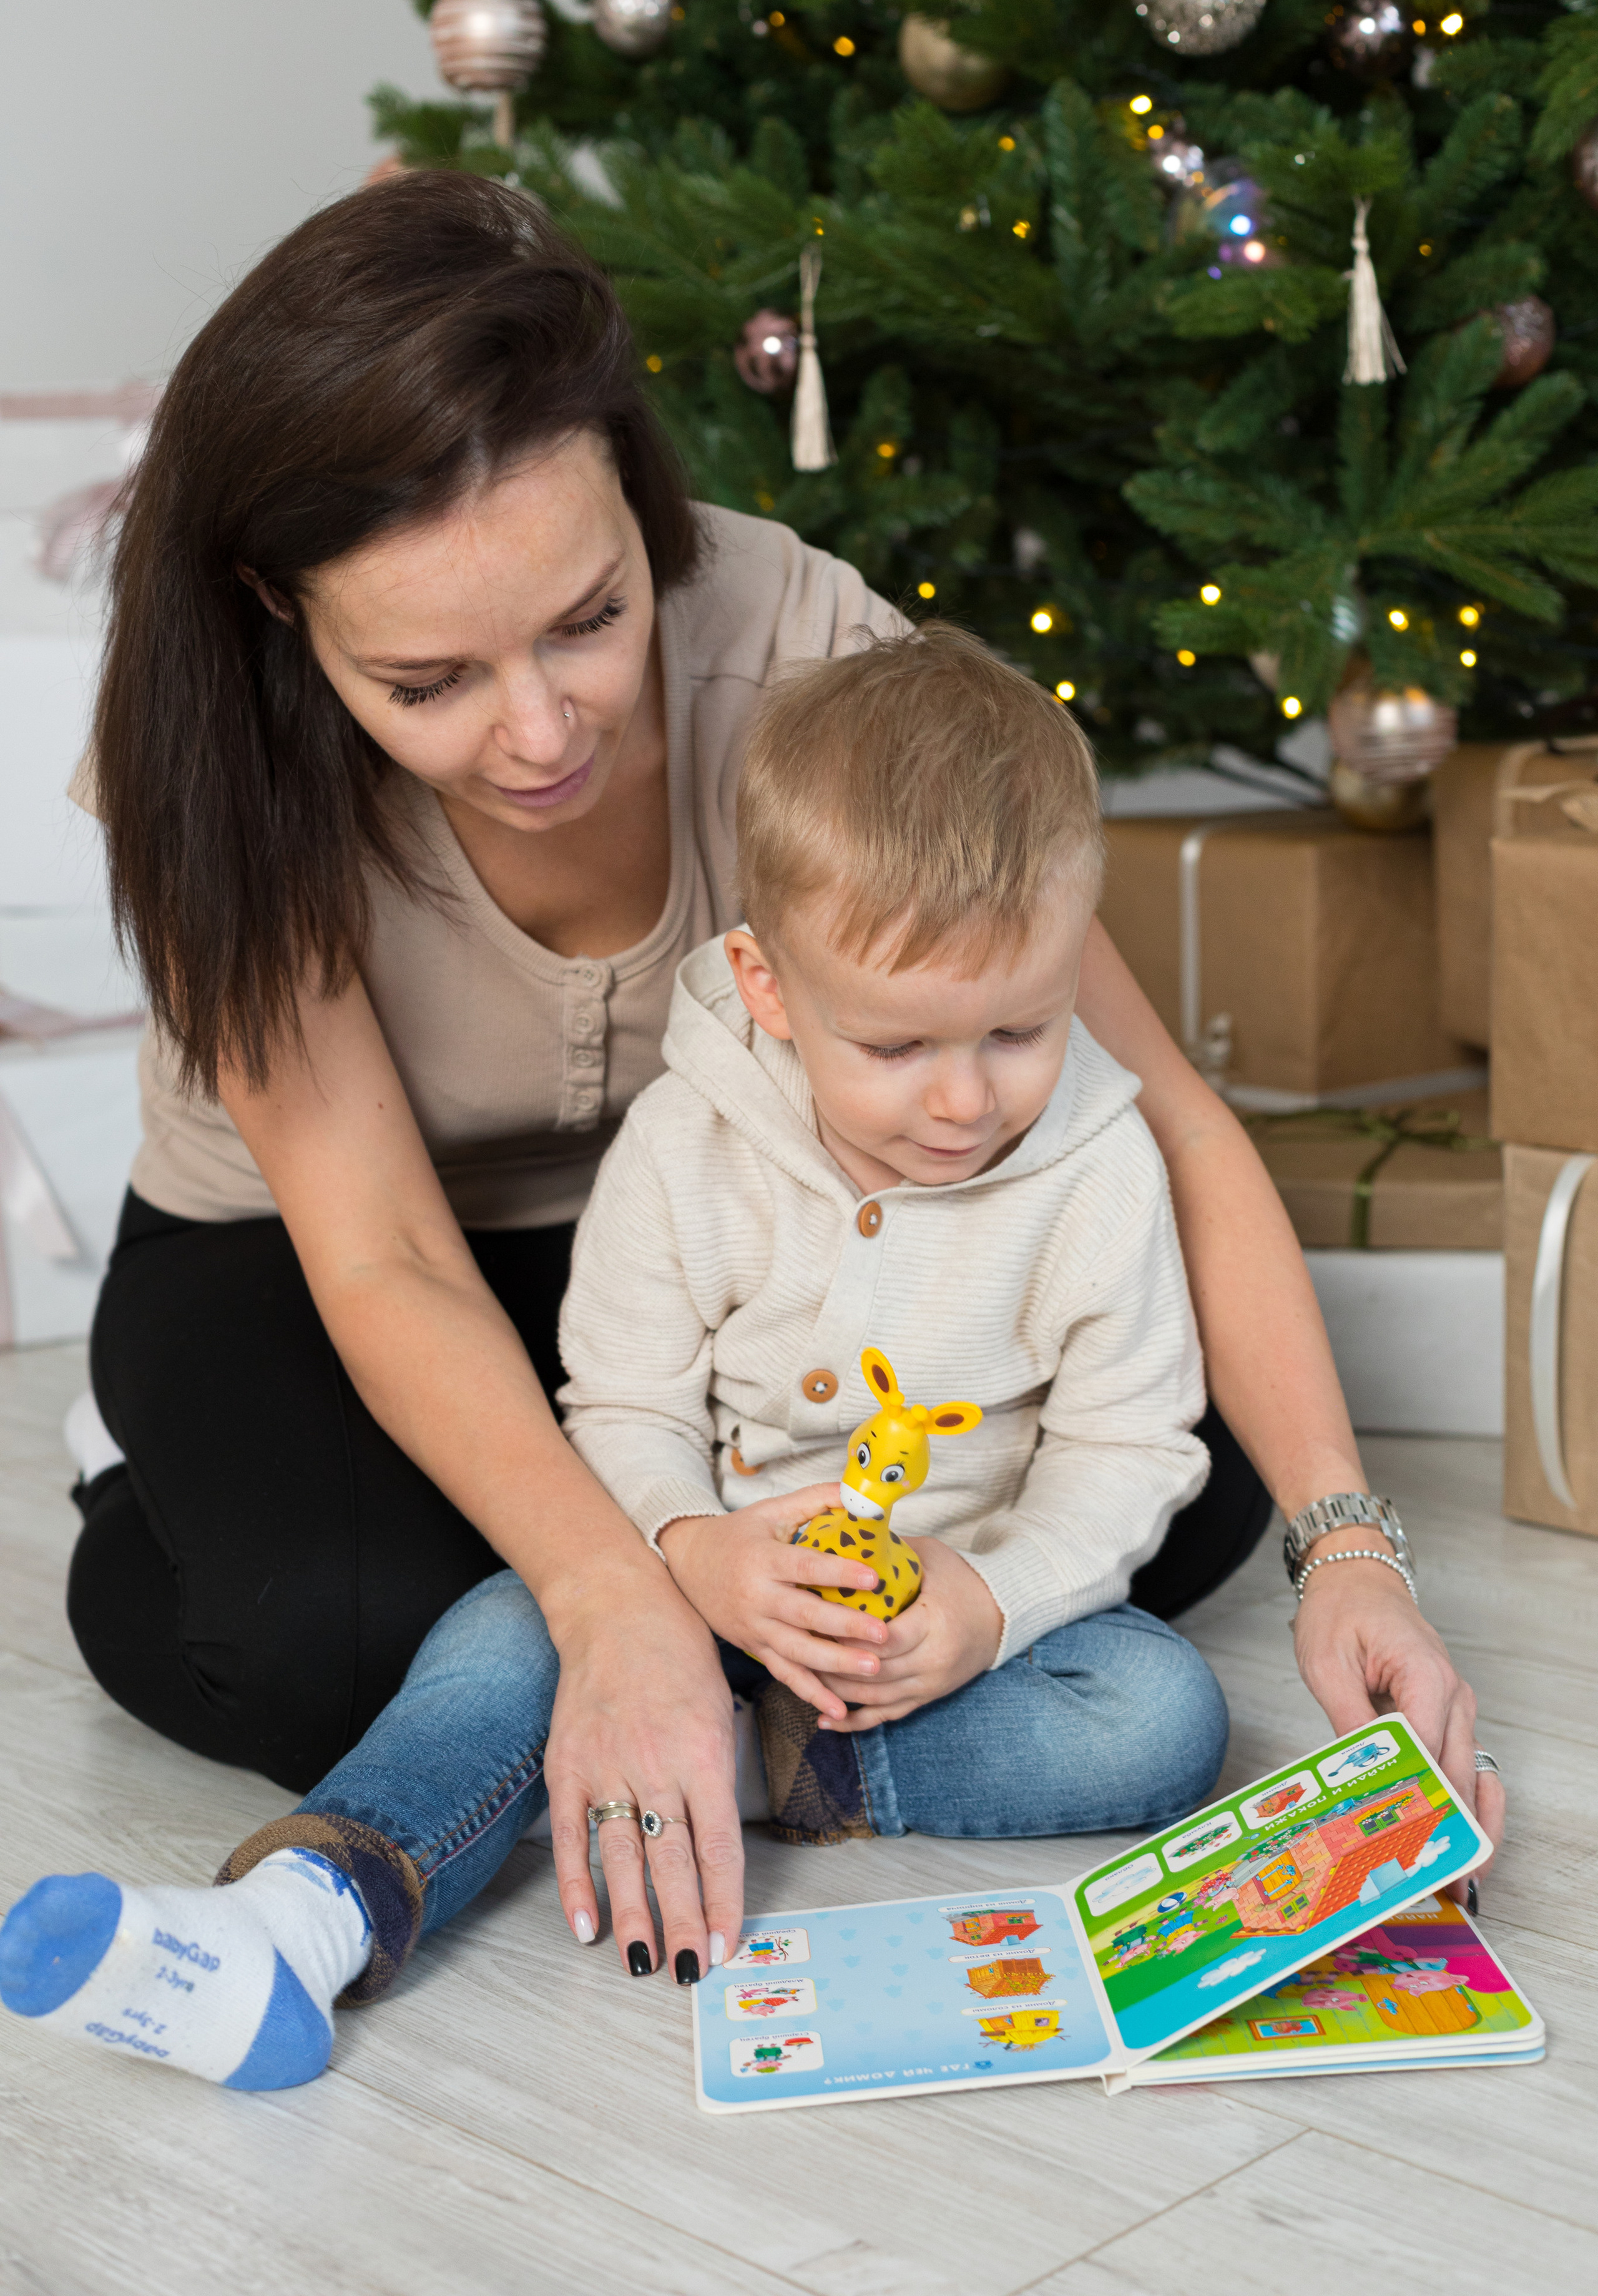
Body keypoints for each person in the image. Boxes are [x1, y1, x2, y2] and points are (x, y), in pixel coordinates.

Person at [42, 171, 1496, 1992]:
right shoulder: (214, 756)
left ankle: (765, 1722)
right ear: (281, 613)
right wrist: (624, 1596)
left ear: (636, 495)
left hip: (750, 1225)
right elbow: (385, 1261)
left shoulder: (805, 647)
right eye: (428, 682)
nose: (543, 732)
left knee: (1173, 1481)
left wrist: (1348, 1547)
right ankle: (151, 1494)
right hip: (331, 1259)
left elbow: (1154, 1119)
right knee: (341, 1642)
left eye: (588, 618)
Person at [1, 626, 1237, 2089]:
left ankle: (727, 1766)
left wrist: (992, 1598)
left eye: (1019, 1031)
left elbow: (1130, 1446)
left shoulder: (1097, 1166)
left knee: (1165, 1714)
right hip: (681, 1582)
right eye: (897, 1049)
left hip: (943, 1621)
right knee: (495, 1637)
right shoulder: (687, 1141)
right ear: (768, 989)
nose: (966, 1101)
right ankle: (312, 1909)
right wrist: (688, 1554)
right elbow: (624, 1398)